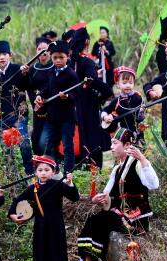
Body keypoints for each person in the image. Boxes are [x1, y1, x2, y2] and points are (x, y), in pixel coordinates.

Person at [71, 128, 159, 261]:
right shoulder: (117, 168)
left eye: (114, 143)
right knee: (94, 219)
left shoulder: (137, 163)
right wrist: (98, 199)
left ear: (126, 145)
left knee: (100, 220)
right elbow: (107, 196)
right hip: (120, 215)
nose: (111, 146)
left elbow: (153, 184)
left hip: (135, 219)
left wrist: (143, 159)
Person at [8, 156, 79, 261]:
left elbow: (74, 197)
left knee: (56, 253)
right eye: (40, 170)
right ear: (36, 172)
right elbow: (18, 200)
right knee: (41, 254)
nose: (43, 173)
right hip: (40, 226)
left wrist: (70, 183)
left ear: (53, 172)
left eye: (47, 170)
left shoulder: (58, 184)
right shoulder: (32, 188)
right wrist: (12, 214)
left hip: (56, 225)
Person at [0, 40, 32, 175]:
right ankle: (13, 177)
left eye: (4, 54)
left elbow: (29, 85)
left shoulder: (18, 69)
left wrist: (26, 74)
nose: (1, 57)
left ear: (10, 55)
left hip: (19, 115)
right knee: (6, 150)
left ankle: (30, 174)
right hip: (3, 118)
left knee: (24, 145)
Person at [69, 28, 113, 169]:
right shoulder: (87, 62)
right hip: (88, 106)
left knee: (78, 137)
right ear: (87, 42)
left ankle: (78, 168)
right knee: (92, 137)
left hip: (72, 106)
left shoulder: (68, 63)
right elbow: (94, 81)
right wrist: (105, 94)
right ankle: (94, 169)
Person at [33, 40, 79, 173]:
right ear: (51, 57)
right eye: (55, 58)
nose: (58, 60)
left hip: (67, 118)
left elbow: (77, 95)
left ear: (67, 57)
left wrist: (68, 96)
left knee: (67, 146)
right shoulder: (51, 71)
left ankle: (68, 173)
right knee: (44, 143)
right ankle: (54, 168)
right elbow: (46, 88)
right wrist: (40, 95)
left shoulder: (71, 74)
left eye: (61, 57)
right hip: (51, 117)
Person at [23, 37, 53, 154]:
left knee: (45, 141)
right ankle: (39, 168)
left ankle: (52, 166)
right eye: (39, 49)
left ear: (50, 51)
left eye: (45, 49)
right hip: (38, 111)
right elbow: (28, 87)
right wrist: (24, 75)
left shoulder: (54, 67)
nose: (42, 52)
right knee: (35, 140)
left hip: (52, 110)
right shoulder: (32, 69)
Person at [101, 66, 145, 139]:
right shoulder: (116, 101)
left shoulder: (138, 98)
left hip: (137, 132)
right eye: (124, 83)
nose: (128, 85)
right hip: (121, 133)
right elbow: (105, 110)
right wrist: (105, 117)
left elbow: (140, 119)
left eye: (130, 83)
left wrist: (141, 113)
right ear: (118, 84)